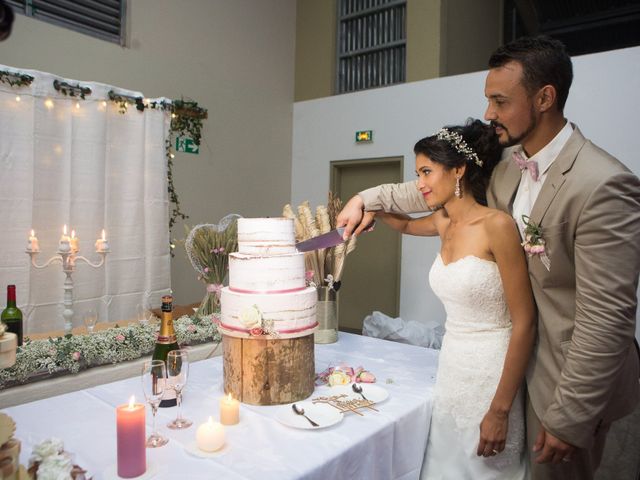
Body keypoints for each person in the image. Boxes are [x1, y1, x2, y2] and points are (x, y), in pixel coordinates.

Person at [337, 36, 640, 480]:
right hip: (506, 359)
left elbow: (606, 318)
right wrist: (364, 198)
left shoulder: (603, 183)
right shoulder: (505, 162)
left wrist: (571, 414)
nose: (488, 114)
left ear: (545, 97)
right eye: (488, 100)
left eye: (500, 101)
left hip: (563, 373)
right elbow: (423, 191)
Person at [377, 119, 535, 479]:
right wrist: (366, 205)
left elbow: (524, 321)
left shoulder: (497, 226)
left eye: (427, 172)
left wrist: (500, 410)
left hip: (491, 370)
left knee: (485, 468)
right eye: (418, 173)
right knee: (445, 464)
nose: (420, 184)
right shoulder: (443, 222)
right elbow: (402, 224)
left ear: (459, 169)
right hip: (452, 366)